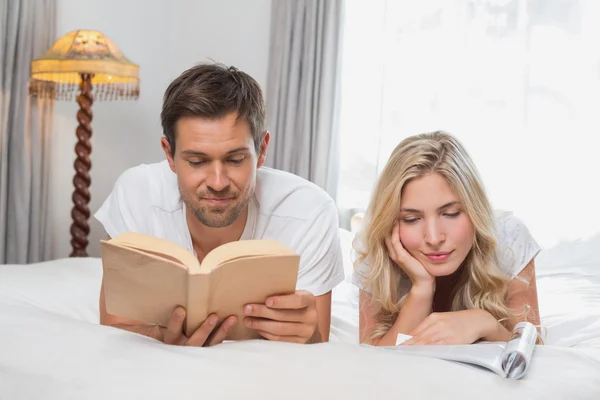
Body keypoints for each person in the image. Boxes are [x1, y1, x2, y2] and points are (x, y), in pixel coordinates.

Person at [95, 63, 345, 346]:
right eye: (197, 162)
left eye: (235, 160)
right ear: (169, 154)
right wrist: (162, 340)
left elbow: (318, 346)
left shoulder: (310, 211)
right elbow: (114, 326)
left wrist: (309, 335)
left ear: (262, 150)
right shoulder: (136, 192)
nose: (217, 182)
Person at [352, 131, 542, 346]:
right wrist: (421, 290)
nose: (434, 238)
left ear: (474, 209)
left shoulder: (509, 236)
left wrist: (485, 323)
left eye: (451, 214)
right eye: (412, 218)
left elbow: (533, 349)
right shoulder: (376, 246)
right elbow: (371, 359)